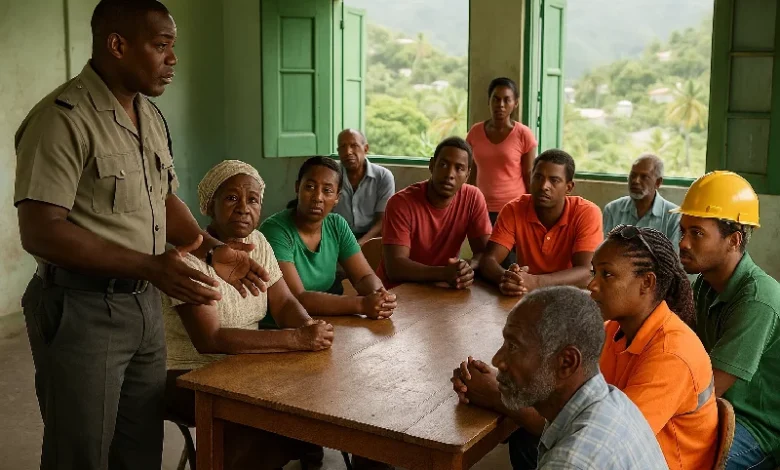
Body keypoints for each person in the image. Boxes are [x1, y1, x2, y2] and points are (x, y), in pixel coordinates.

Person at [14, 2, 269, 469]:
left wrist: (212, 250)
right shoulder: (62, 119)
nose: (173, 60)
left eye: (174, 47)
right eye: (161, 46)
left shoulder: (148, 117)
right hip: (82, 309)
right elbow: (40, 231)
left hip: (144, 307)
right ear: (117, 45)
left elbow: (164, 200)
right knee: (81, 451)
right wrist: (150, 265)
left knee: (138, 450)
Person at [164, 160, 334, 469]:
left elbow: (282, 304)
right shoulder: (189, 258)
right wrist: (295, 338)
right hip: (186, 375)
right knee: (259, 423)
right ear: (208, 206)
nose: (244, 208)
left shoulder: (258, 244)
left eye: (252, 200)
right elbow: (209, 339)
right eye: (231, 198)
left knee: (309, 398)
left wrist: (309, 326)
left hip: (243, 367)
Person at [451, 287, 667, 469]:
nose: (498, 359)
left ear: (566, 362)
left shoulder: (570, 463)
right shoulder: (614, 402)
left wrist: (493, 393)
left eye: (514, 346)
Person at [589, 225, 718, 469]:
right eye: (593, 272)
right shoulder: (613, 329)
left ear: (647, 283)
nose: (592, 285)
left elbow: (607, 442)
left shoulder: (671, 355)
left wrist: (508, 404)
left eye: (607, 275)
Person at [676, 171, 780, 469]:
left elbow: (707, 389)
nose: (683, 243)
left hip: (757, 428)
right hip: (716, 411)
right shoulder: (705, 285)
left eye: (697, 233)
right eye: (683, 230)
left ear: (734, 240)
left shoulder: (758, 298)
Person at [260, 156, 397, 320]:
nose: (318, 197)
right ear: (297, 187)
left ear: (337, 197)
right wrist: (361, 304)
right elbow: (296, 297)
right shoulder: (275, 230)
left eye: (327, 190)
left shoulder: (337, 225)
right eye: (310, 187)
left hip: (329, 319)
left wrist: (379, 295)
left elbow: (363, 277)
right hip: (283, 326)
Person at [478, 149, 603, 297]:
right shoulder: (514, 209)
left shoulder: (586, 212)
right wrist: (508, 280)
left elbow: (587, 272)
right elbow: (489, 260)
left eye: (554, 180)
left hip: (572, 297)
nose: (544, 186)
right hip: (526, 296)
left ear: (568, 188)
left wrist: (535, 282)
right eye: (538, 177)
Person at [377, 137, 492, 289]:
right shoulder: (400, 203)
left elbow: (485, 253)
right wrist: (444, 273)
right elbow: (395, 268)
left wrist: (468, 267)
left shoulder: (473, 198)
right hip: (396, 292)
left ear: (467, 175)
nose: (450, 174)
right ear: (432, 165)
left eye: (459, 168)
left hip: (441, 290)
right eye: (443, 164)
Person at [602, 154, 681, 247]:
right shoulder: (612, 210)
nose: (636, 181)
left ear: (658, 182)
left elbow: (674, 259)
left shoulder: (673, 216)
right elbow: (605, 251)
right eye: (633, 175)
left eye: (644, 177)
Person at [333, 128, 395, 245]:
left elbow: (382, 221)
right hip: (336, 237)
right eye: (342, 147)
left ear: (365, 149)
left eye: (354, 145)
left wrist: (360, 244)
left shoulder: (383, 177)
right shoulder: (331, 175)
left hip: (370, 238)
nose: (348, 152)